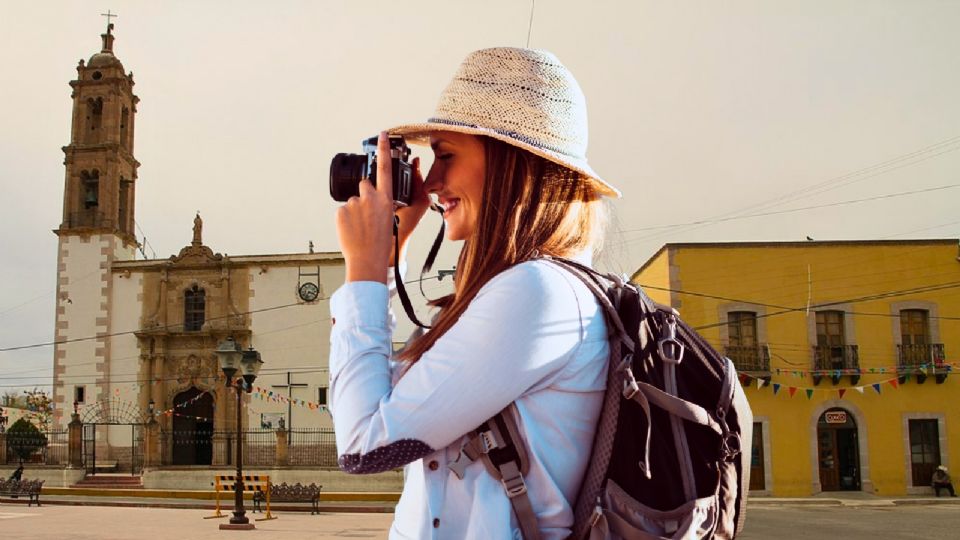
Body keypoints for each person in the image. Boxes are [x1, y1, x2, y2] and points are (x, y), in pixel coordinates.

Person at [330, 47, 620, 539]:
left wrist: (364, 272)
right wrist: (386, 258)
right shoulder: (518, 292)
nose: (434, 181)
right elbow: (382, 399)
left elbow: (363, 443)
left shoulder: (539, 293)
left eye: (445, 155)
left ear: (511, 164)